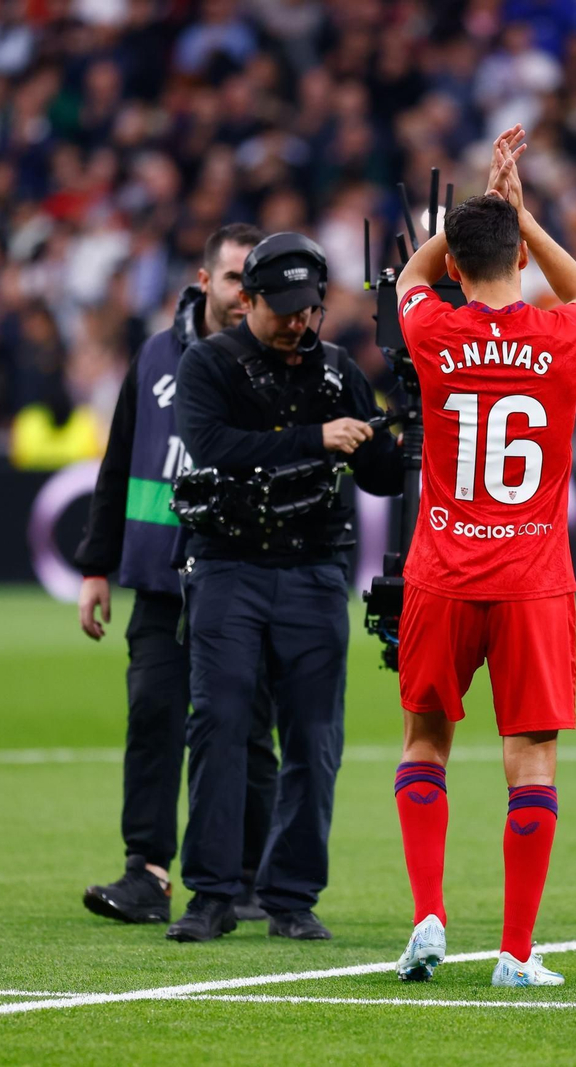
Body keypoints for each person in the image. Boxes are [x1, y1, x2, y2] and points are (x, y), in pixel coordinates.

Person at [390, 127, 576, 987]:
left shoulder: (434, 331)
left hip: (442, 573)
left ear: (456, 266)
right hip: (530, 581)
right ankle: (515, 951)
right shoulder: (559, 340)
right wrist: (522, 213)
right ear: (519, 256)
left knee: (424, 741)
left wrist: (471, 211)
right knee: (533, 759)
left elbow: (407, 276)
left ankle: (429, 917)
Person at [169, 231, 405, 942]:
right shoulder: (208, 362)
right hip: (228, 565)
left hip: (312, 569)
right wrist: (315, 439)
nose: (301, 323)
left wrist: (394, 431)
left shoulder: (338, 371)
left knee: (314, 735)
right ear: (250, 300)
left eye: (311, 310)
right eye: (287, 310)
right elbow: (212, 446)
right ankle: (211, 893)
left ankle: (292, 896)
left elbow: (384, 477)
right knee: (220, 721)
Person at [73, 223, 279, 926]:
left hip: (245, 575)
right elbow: (119, 459)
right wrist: (96, 564)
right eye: (232, 280)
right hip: (163, 576)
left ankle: (248, 876)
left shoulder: (278, 359)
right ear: (204, 279)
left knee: (247, 729)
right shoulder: (156, 355)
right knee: (153, 715)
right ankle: (147, 872)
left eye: (255, 283)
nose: (243, 294)